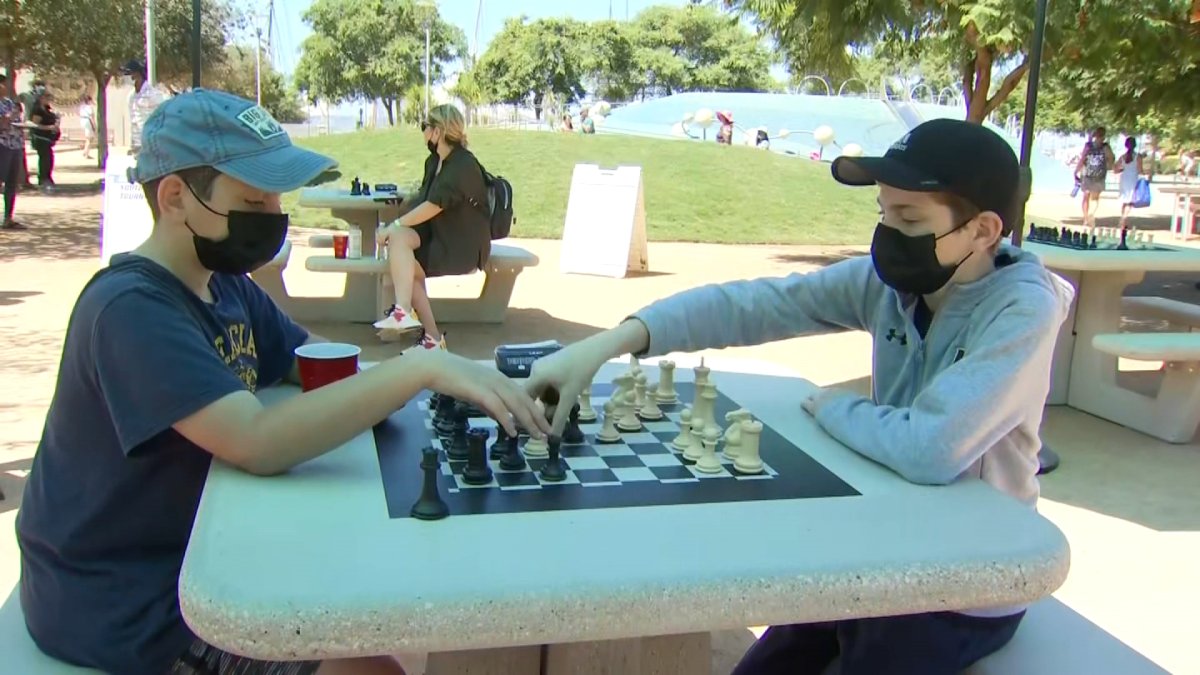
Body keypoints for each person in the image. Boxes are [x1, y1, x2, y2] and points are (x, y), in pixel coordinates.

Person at [15, 88, 550, 675]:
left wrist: (428, 382)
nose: (274, 214)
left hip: (196, 551)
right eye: (254, 198)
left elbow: (317, 365)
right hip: (125, 601)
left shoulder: (225, 285)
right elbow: (257, 440)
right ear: (175, 198)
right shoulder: (130, 310)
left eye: (275, 197)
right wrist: (420, 366)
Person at [524, 119, 1075, 675]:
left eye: (909, 219)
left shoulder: (1023, 309)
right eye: (883, 213)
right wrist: (610, 343)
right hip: (883, 544)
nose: (887, 233)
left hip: (971, 580)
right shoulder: (887, 285)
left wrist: (834, 407)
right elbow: (756, 305)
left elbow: (930, 448)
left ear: (983, 230)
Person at [373, 104, 491, 351]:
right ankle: (421, 327)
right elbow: (425, 198)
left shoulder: (463, 165)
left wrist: (395, 224)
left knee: (403, 253)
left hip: (461, 246)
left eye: (425, 126)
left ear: (438, 131)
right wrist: (401, 213)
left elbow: (433, 206)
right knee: (401, 250)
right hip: (439, 237)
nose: (423, 132)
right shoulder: (434, 162)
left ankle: (412, 318)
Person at [121, 58, 167, 154]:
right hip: (138, 144)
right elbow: (133, 120)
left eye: (128, 73)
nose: (126, 77)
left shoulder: (153, 94)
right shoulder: (131, 96)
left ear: (137, 74)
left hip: (151, 142)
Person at [1074, 126, 1114, 230]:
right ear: (1104, 136)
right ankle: (1091, 214)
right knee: (1095, 198)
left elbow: (1082, 159)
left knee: (1085, 196)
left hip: (1087, 174)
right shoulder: (1106, 147)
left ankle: (1085, 218)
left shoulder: (1088, 145)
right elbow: (1111, 159)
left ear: (1095, 135)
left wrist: (1076, 171)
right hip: (1099, 175)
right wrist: (1108, 167)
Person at [0, 73, 25, 230]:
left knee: (11, 183)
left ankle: (8, 218)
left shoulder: (9, 103)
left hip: (14, 144)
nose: (5, 87)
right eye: (2, 83)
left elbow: (17, 121)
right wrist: (7, 118)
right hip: (2, 145)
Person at [28, 87, 60, 192]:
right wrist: (49, 127)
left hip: (48, 138)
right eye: (46, 96)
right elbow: (35, 125)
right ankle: (43, 179)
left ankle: (47, 177)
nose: (48, 98)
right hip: (40, 137)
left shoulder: (47, 108)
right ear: (40, 97)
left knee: (49, 159)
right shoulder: (37, 110)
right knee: (45, 159)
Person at [1114, 136, 1144, 230]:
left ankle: (1123, 219)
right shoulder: (1138, 157)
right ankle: (1123, 218)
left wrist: (1122, 170)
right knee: (1130, 201)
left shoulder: (1122, 157)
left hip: (1124, 179)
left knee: (1124, 200)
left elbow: (1115, 169)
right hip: (1133, 179)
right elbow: (1140, 170)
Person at [78, 93, 96, 159]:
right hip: (88, 121)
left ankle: (85, 152)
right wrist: (94, 125)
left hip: (83, 121)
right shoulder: (89, 107)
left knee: (88, 138)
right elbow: (92, 116)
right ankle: (86, 154)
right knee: (89, 139)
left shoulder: (82, 107)